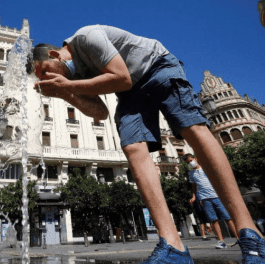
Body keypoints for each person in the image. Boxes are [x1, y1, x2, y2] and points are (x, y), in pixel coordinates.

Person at [28, 25, 265, 263]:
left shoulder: (86, 37)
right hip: (130, 91)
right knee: (132, 146)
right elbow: (100, 112)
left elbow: (120, 76)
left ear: (54, 55)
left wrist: (67, 86)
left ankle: (250, 233)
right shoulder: (76, 76)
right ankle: (173, 245)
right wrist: (65, 94)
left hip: (156, 65)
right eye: (43, 79)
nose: (48, 79)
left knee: (192, 128)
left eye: (45, 72)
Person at [185, 153, 239, 248]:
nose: (190, 163)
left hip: (217, 196)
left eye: (191, 160)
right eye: (188, 162)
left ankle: (239, 239)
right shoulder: (191, 174)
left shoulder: (206, 169)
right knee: (213, 220)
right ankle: (221, 241)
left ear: (195, 158)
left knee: (227, 218)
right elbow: (194, 187)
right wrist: (194, 196)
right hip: (205, 199)